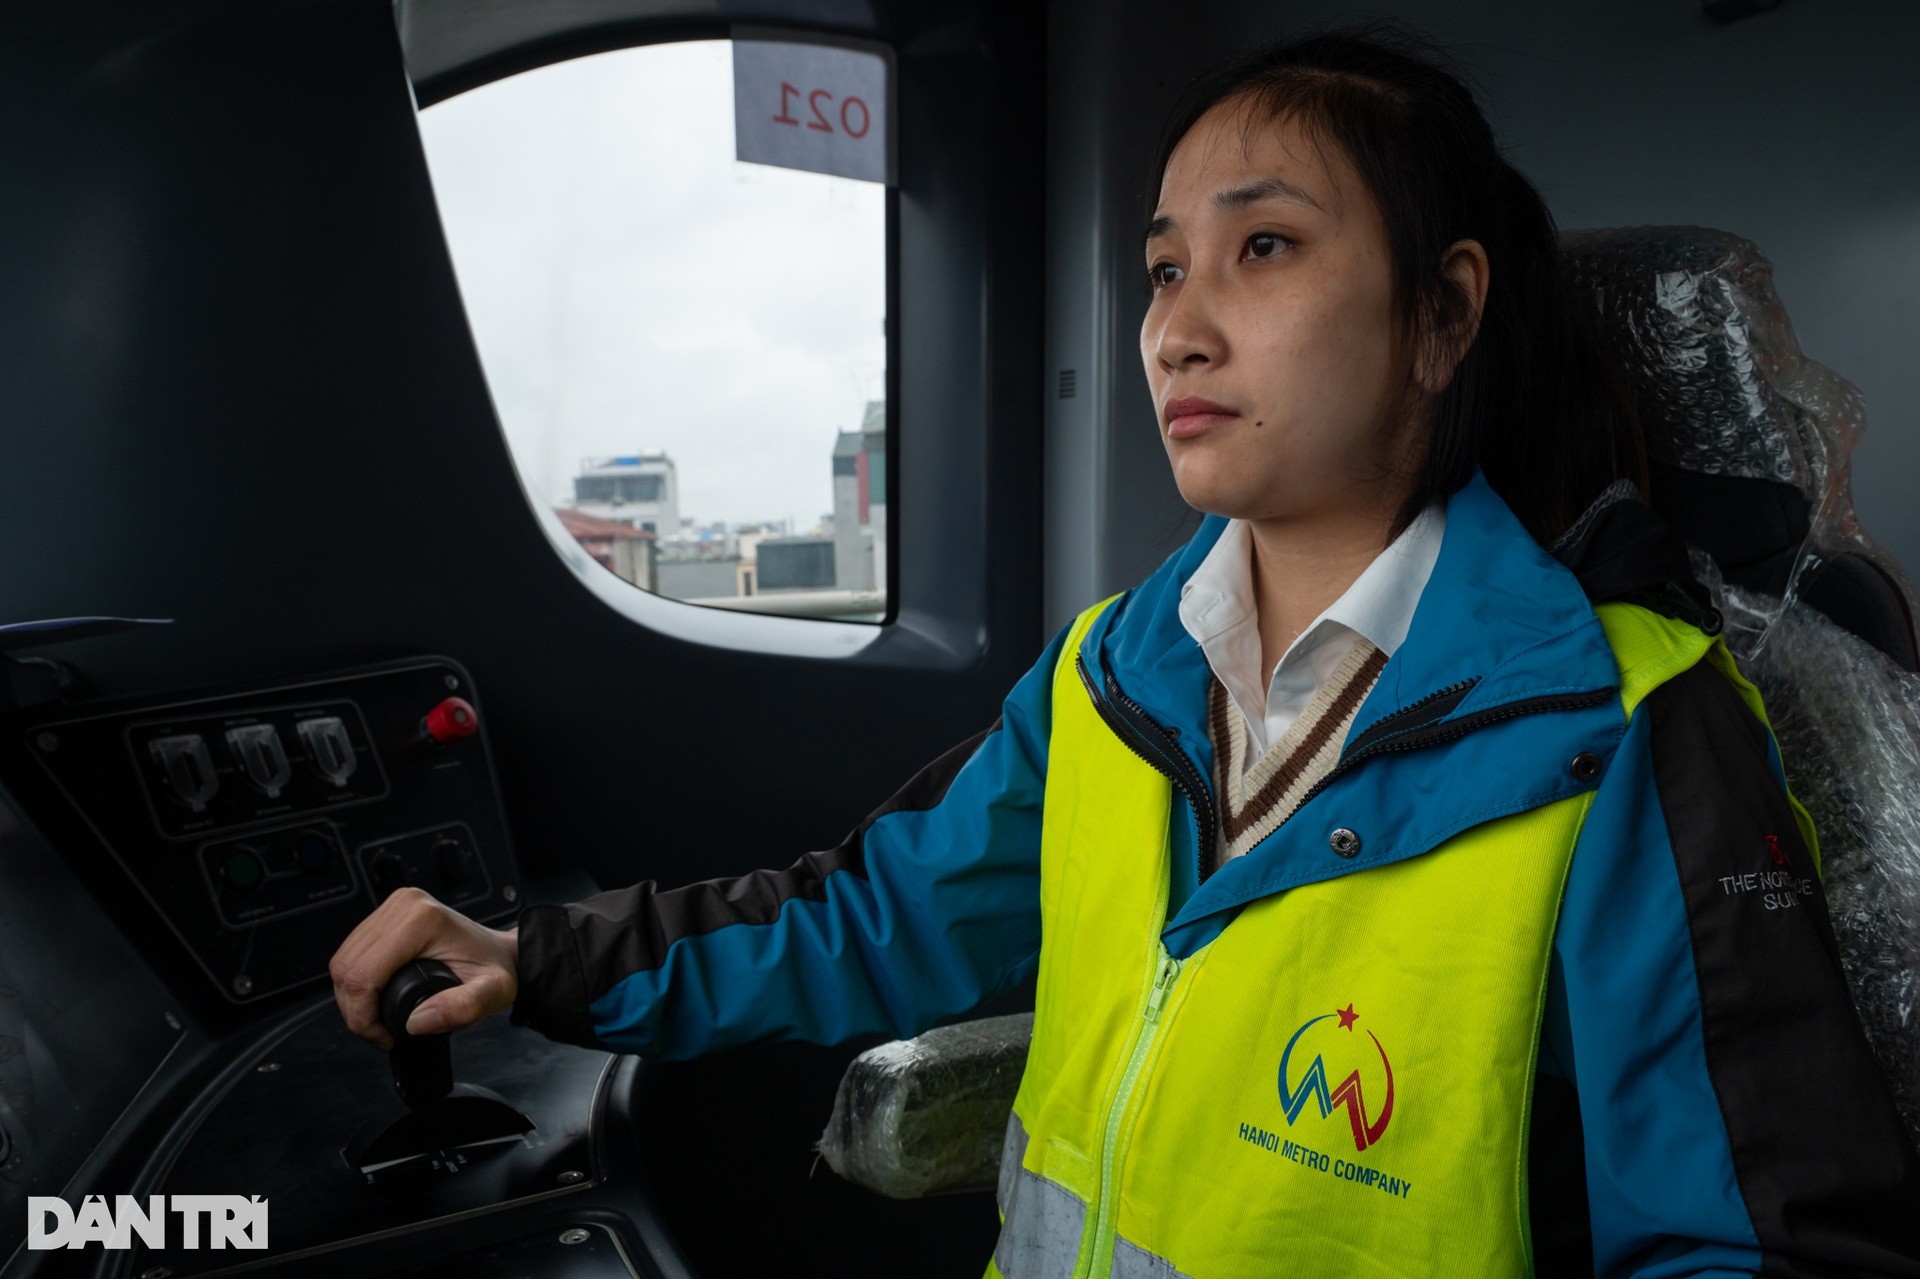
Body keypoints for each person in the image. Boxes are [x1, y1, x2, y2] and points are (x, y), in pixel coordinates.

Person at [329, 28, 1920, 1278]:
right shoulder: (1114, 676)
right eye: (1165, 269)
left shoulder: (1626, 726)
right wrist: (537, 961)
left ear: (1444, 319)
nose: (1178, 326)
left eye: (1265, 250)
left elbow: (1755, 1247)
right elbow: (870, 915)